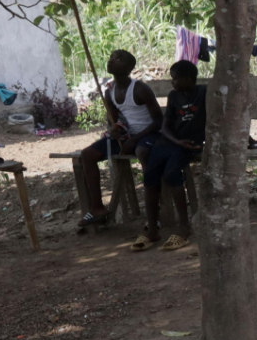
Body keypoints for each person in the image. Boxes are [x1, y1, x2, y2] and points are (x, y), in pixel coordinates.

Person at [76, 49, 163, 231]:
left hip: (148, 135)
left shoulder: (140, 89)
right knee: (87, 154)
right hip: (127, 137)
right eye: (111, 57)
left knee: (143, 152)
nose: (111, 61)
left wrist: (136, 138)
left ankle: (155, 215)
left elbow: (158, 121)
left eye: (118, 59)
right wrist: (113, 130)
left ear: (130, 67)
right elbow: (112, 120)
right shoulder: (109, 90)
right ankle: (98, 208)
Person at [130, 60, 203, 252]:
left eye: (175, 79)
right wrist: (175, 141)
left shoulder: (203, 93)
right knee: (150, 176)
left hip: (190, 143)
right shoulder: (173, 96)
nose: (173, 82)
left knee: (171, 175)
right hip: (170, 141)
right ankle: (153, 229)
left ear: (187, 79)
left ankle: (184, 227)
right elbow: (165, 125)